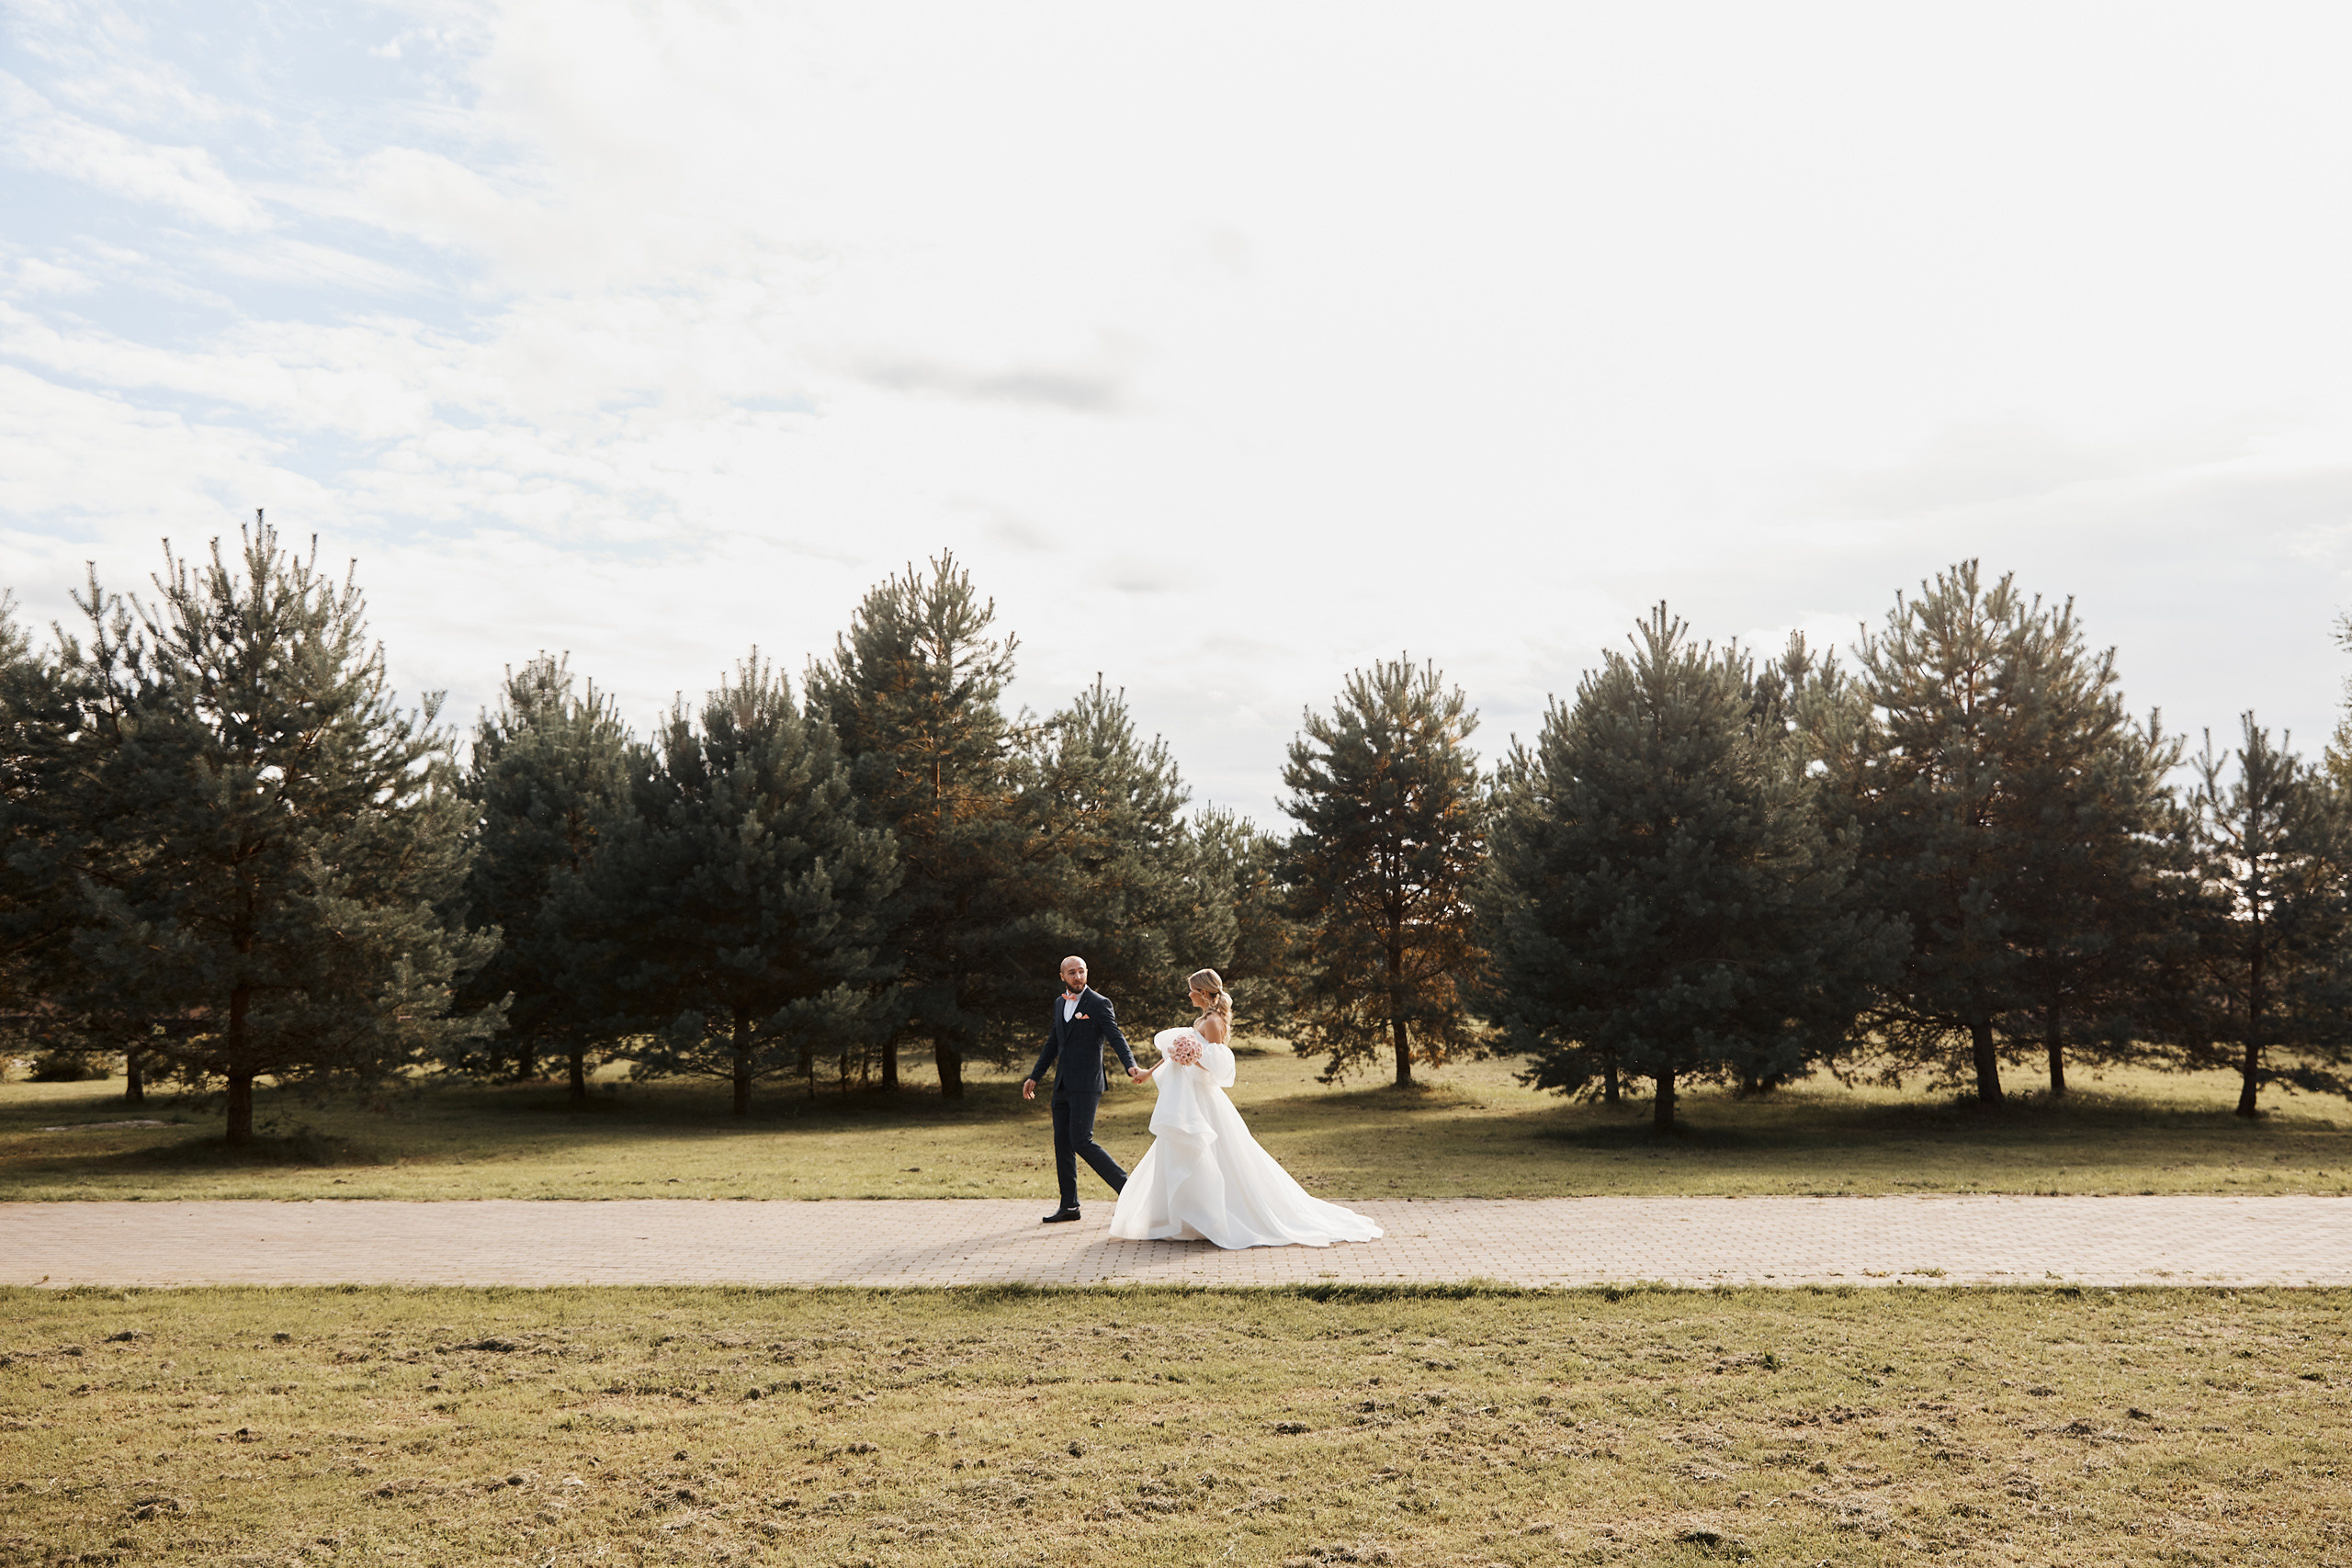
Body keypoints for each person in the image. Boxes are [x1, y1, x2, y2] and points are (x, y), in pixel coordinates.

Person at [1110, 967, 1383, 1249]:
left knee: (1212, 1152)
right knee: (1180, 1149)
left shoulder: (1214, 1021)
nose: (1188, 994)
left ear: (1202, 993)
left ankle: (1216, 1216)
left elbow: (1218, 1061)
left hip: (1203, 1098)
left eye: (1191, 990)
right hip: (1188, 1097)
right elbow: (1175, 1052)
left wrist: (1194, 1058)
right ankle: (1185, 1218)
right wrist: (1148, 1071)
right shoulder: (1202, 1018)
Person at [1023, 954, 1150, 1224]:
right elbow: (1052, 1043)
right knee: (1063, 1144)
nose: (1078, 977)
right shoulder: (1060, 1003)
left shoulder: (1099, 1003)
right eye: (1072, 973)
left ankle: (1130, 1190)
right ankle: (1069, 1206)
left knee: (1082, 1140)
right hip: (1061, 1086)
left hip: (1087, 1084)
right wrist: (1035, 1076)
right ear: (1062, 977)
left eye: (1081, 971)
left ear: (1087, 973)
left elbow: (1116, 1036)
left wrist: (1131, 1067)